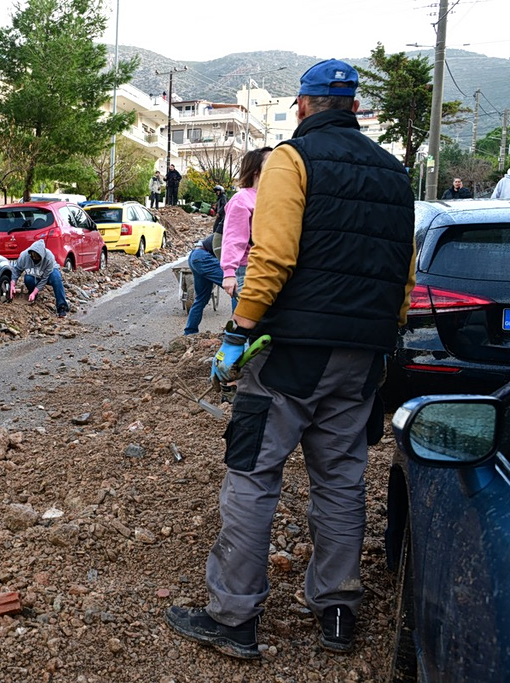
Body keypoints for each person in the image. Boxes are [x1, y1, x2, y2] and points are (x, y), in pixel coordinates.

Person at [166, 59, 416, 659]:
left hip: (295, 352)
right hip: (365, 355)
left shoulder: (291, 160)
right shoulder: (394, 172)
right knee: (340, 478)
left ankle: (233, 617)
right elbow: (404, 272)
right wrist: (385, 337)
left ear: (303, 105)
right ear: (354, 107)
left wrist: (238, 329)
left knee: (253, 473)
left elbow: (272, 257)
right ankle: (336, 615)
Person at [220, 148, 273, 301]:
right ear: (256, 170)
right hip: (247, 271)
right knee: (250, 322)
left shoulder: (269, 197)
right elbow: (233, 238)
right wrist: (229, 273)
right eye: (271, 161)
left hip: (266, 270)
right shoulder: (242, 199)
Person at [182, 184, 228, 336]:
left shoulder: (225, 206)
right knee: (236, 289)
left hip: (196, 255)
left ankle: (189, 333)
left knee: (202, 298)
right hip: (204, 257)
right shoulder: (232, 230)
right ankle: (238, 334)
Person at [9, 239, 69, 318]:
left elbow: (44, 279)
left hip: (49, 273)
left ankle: (62, 307)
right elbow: (16, 270)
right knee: (28, 278)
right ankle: (33, 296)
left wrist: (34, 292)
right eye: (32, 256)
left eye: (36, 257)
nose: (34, 258)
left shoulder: (49, 257)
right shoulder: (24, 256)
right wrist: (12, 284)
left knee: (56, 278)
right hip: (34, 274)